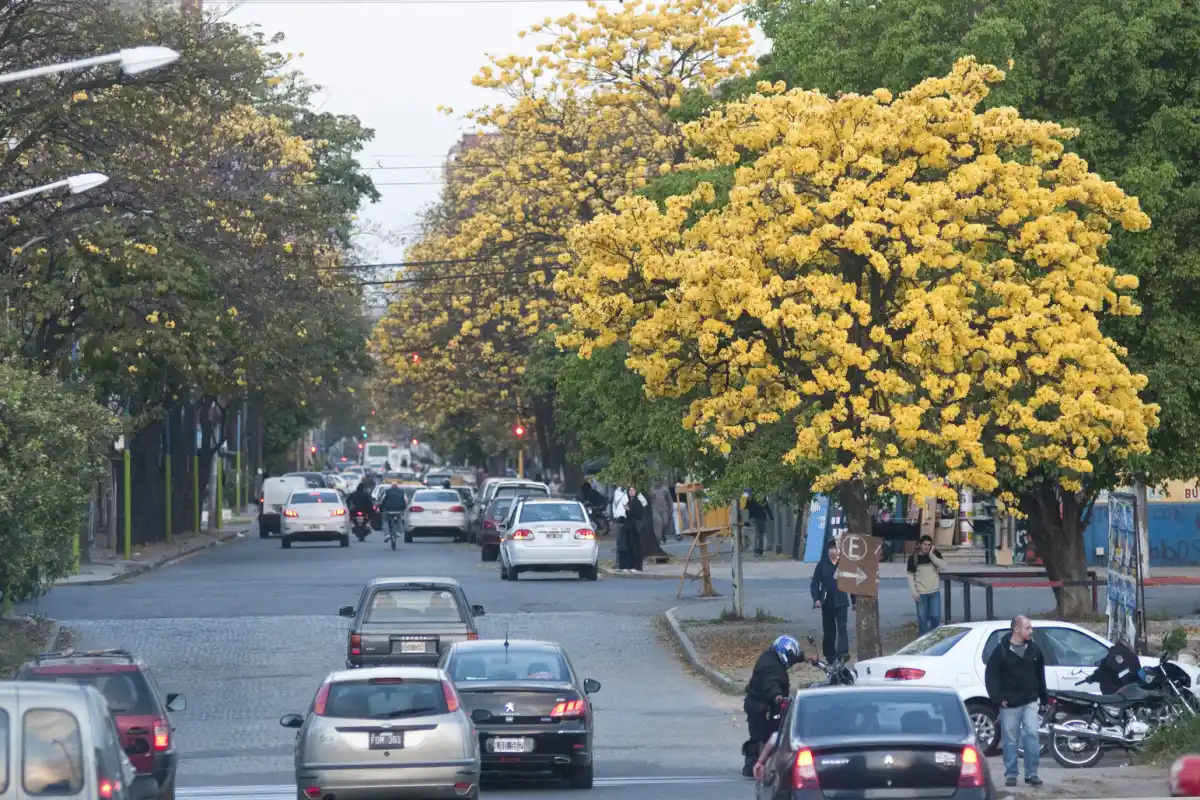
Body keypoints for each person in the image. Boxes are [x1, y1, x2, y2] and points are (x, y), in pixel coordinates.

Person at [985, 615, 1050, 788]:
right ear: (1016, 629)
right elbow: (991, 676)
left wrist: (1044, 698)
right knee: (1011, 739)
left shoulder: (1034, 650)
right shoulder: (1001, 651)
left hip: (1030, 700)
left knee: (1032, 735)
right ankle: (1011, 774)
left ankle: (1032, 773)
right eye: (1027, 628)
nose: (1031, 631)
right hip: (1010, 703)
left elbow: (1040, 675)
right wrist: (998, 698)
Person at [742, 635, 804, 777]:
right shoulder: (770, 666)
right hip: (759, 706)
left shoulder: (772, 657)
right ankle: (750, 767)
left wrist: (806, 658)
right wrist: (777, 696)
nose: (792, 663)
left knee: (774, 730)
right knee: (759, 735)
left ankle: (771, 762)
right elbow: (771, 683)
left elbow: (793, 656)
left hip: (765, 704)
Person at [809, 538, 853, 663]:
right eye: (832, 548)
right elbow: (815, 583)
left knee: (842, 627)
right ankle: (829, 653)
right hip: (827, 600)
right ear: (828, 550)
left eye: (837, 548)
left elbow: (851, 582)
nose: (835, 551)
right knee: (829, 629)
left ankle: (843, 652)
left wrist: (854, 600)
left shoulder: (844, 564)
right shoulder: (822, 564)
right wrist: (816, 599)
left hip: (841, 600)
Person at [907, 534, 949, 634]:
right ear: (920, 545)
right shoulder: (913, 558)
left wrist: (931, 555)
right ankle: (923, 641)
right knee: (923, 619)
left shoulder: (935, 555)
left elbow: (944, 566)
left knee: (936, 617)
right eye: (925, 544)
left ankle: (931, 636)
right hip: (921, 593)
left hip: (934, 592)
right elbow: (910, 576)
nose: (927, 547)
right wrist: (914, 592)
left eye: (929, 545)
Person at [612, 486, 648, 572]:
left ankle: (635, 566)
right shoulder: (624, 499)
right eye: (630, 490)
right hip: (625, 525)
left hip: (635, 527)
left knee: (634, 547)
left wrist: (629, 510)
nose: (632, 492)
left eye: (633, 490)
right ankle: (625, 566)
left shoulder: (637, 501)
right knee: (624, 546)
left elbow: (639, 512)